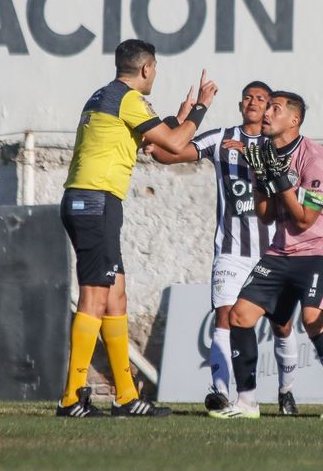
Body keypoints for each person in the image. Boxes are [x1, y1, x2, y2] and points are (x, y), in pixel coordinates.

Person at [57, 39, 218, 417]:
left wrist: (175, 120)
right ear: (146, 69)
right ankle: (71, 396)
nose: (155, 75)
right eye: (156, 69)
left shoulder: (104, 96)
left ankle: (126, 396)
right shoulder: (129, 100)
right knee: (95, 298)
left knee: (116, 296)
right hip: (95, 202)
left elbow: (152, 142)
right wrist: (200, 108)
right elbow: (175, 144)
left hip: (93, 202)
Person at [146, 81, 300, 417]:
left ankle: (286, 392)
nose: (253, 102)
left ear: (271, 106)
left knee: (282, 325)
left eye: (261, 98)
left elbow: (287, 180)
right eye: (247, 97)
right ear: (240, 105)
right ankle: (220, 392)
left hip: (272, 251)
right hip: (231, 250)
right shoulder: (220, 138)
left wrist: (251, 155)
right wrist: (178, 120)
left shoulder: (279, 143)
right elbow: (170, 153)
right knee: (225, 316)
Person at [214, 90, 323, 419]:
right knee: (239, 316)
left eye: (274, 108)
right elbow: (264, 215)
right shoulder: (264, 154)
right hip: (282, 250)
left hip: (320, 248)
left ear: (294, 119)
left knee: (312, 320)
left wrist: (278, 178)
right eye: (266, 107)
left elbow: (305, 219)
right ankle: (246, 402)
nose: (265, 112)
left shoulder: (316, 157)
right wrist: (261, 180)